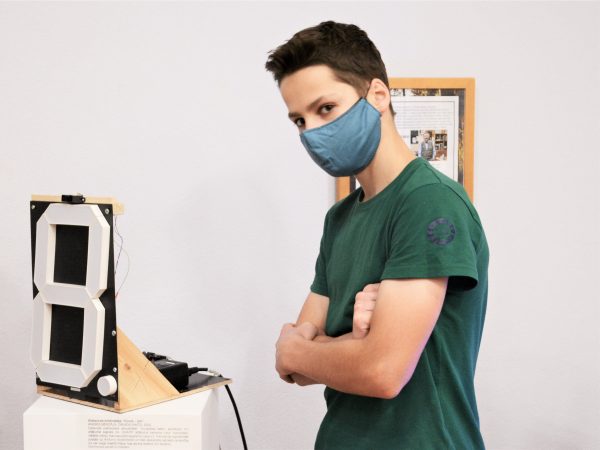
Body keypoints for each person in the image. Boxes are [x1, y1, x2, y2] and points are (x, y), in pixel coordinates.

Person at [265, 21, 488, 450]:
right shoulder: (340, 218)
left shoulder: (428, 200)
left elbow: (381, 372)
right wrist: (354, 342)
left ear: (378, 96)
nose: (312, 132)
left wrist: (310, 347)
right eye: (299, 120)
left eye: (325, 108)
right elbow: (294, 369)